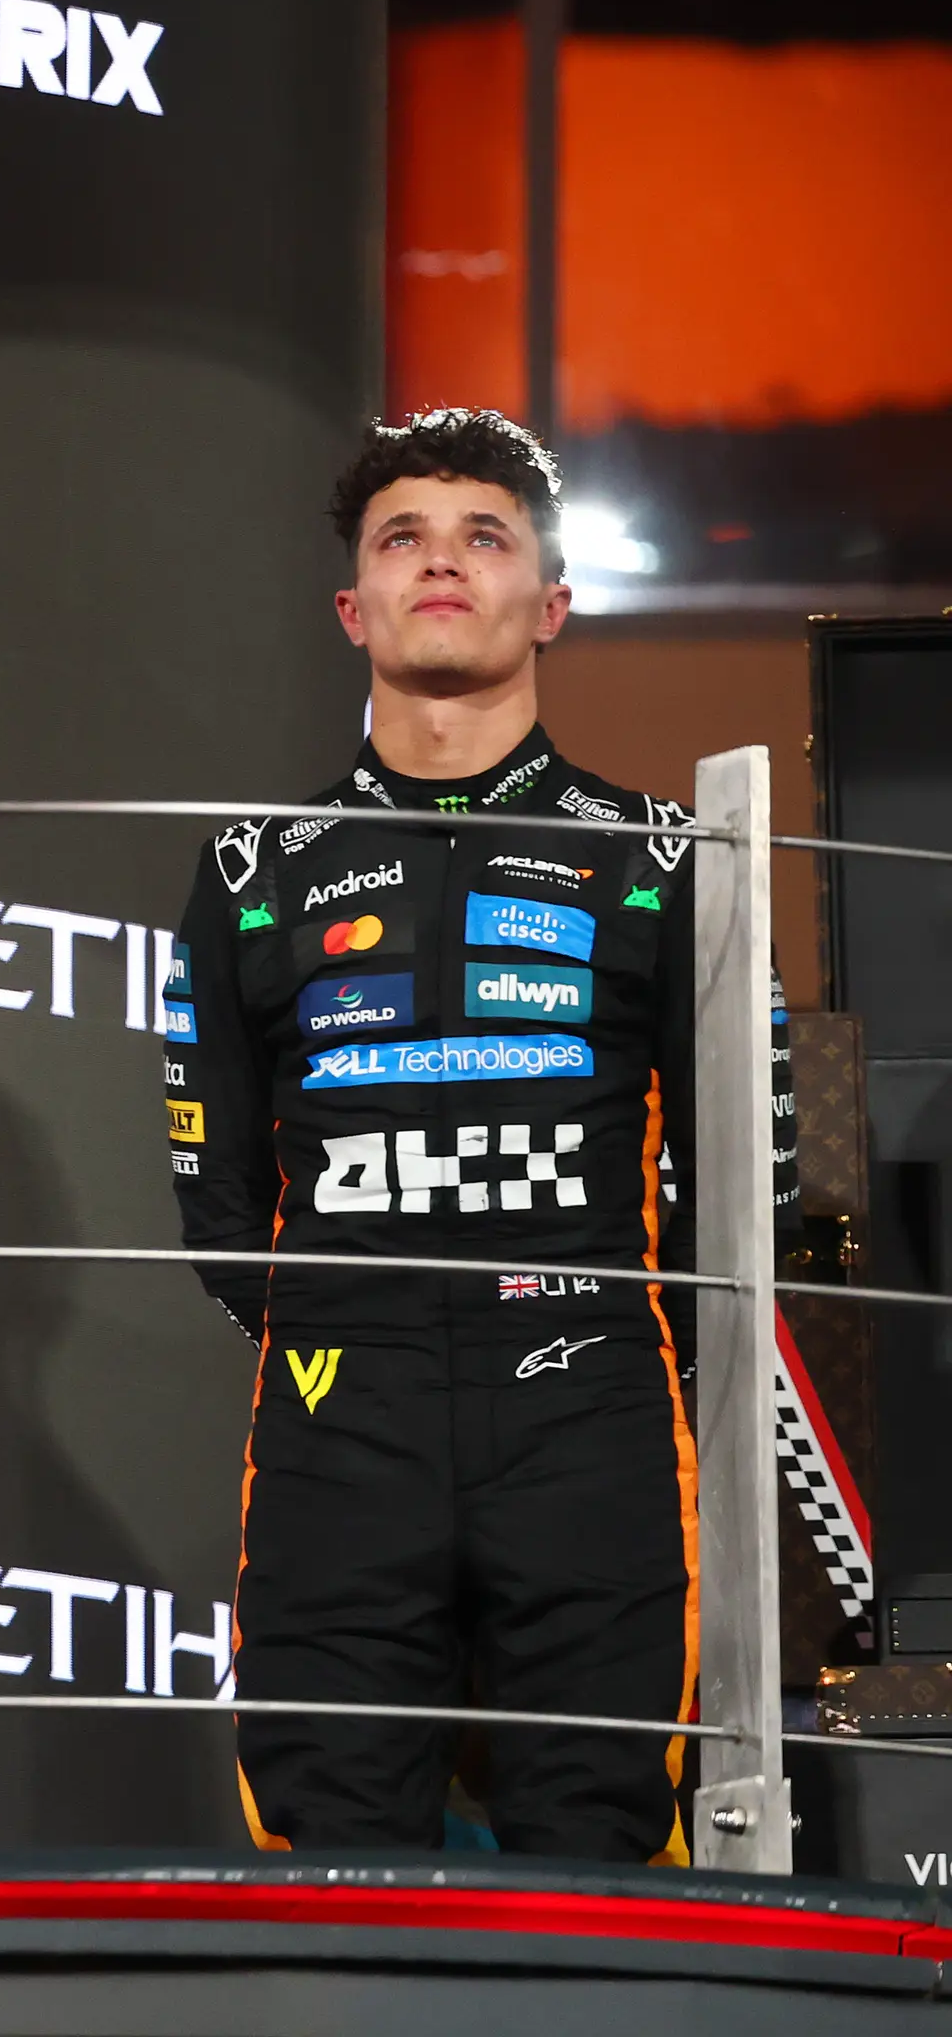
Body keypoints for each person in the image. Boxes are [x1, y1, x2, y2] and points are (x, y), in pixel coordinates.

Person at [168, 407, 787, 1859]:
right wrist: (345, 1327)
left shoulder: (663, 858)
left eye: (484, 535)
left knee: (603, 1836)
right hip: (341, 1399)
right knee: (323, 1834)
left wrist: (598, 1330)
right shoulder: (255, 870)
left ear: (551, 602)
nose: (441, 563)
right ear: (352, 606)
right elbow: (217, 1195)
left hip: (594, 1404)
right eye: (403, 539)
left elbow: (743, 1185)